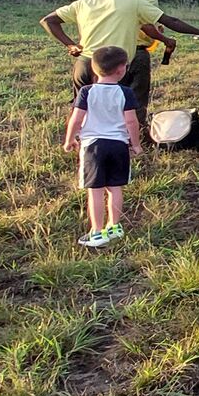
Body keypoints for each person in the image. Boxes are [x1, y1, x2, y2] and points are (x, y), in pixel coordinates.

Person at [41, 0, 166, 98]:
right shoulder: (134, 2)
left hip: (85, 63)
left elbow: (47, 21)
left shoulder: (83, 3)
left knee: (81, 107)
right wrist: (173, 36)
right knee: (117, 106)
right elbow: (163, 22)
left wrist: (71, 45)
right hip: (112, 63)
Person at [63, 46, 143, 247]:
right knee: (115, 187)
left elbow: (76, 119)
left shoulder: (86, 92)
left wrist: (69, 139)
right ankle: (114, 227)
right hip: (118, 146)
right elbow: (132, 122)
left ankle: (97, 233)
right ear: (121, 70)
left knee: (95, 190)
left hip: (93, 147)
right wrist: (136, 144)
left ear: (94, 67)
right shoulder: (126, 92)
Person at [125, 0, 199, 132]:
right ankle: (137, 134)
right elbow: (147, 25)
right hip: (137, 50)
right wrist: (166, 38)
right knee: (137, 97)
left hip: (120, 49)